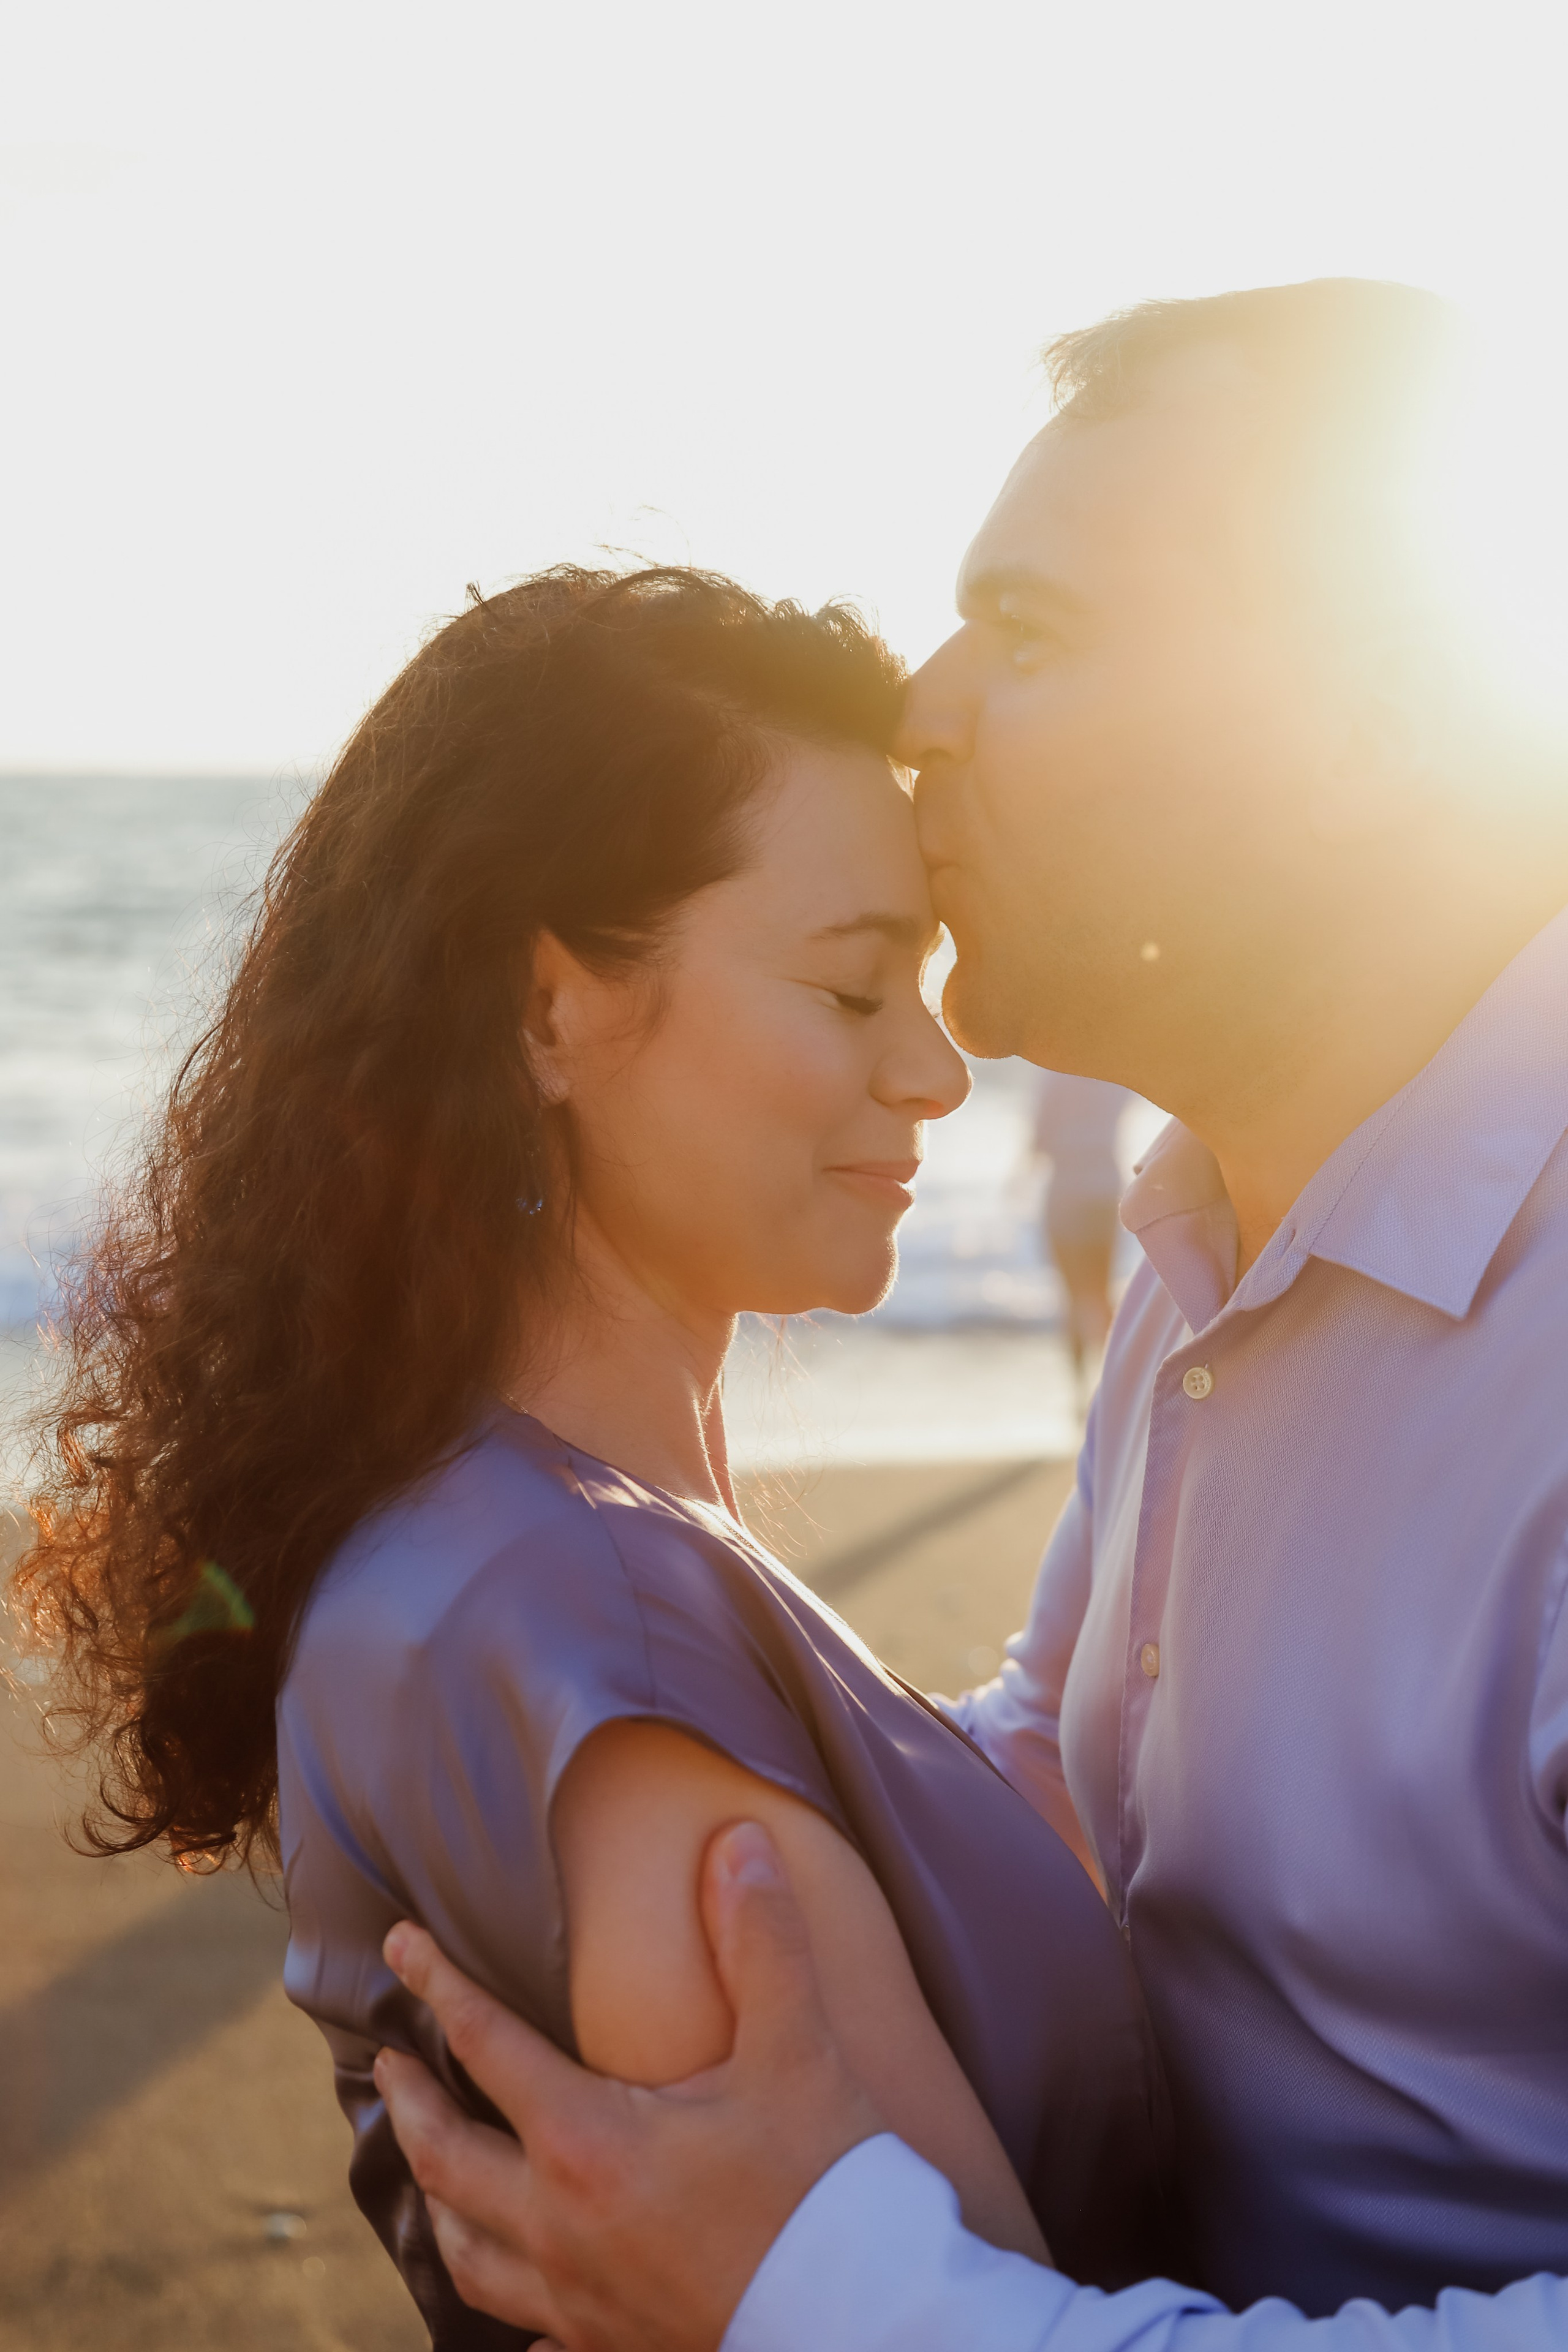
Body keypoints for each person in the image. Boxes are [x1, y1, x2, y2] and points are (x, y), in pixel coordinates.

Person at [373, 281, 1568, 2347]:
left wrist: (831, 2299)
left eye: (1032, 633)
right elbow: (1089, 1778)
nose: (921, 710)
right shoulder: (1223, 1230)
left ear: (1385, 712)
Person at [9, 567, 1174, 2349]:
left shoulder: (535, 1544)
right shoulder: (579, 1617)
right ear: (548, 1011)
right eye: (856, 989)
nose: (939, 1068)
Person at [1026, 1069, 1133, 1396]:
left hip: (1067, 1192)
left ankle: (1079, 1391)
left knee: (1072, 1298)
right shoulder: (1112, 1077)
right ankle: (1113, 1388)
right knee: (1102, 1294)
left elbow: (1039, 1141)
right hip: (1107, 1190)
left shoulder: (1053, 1078)